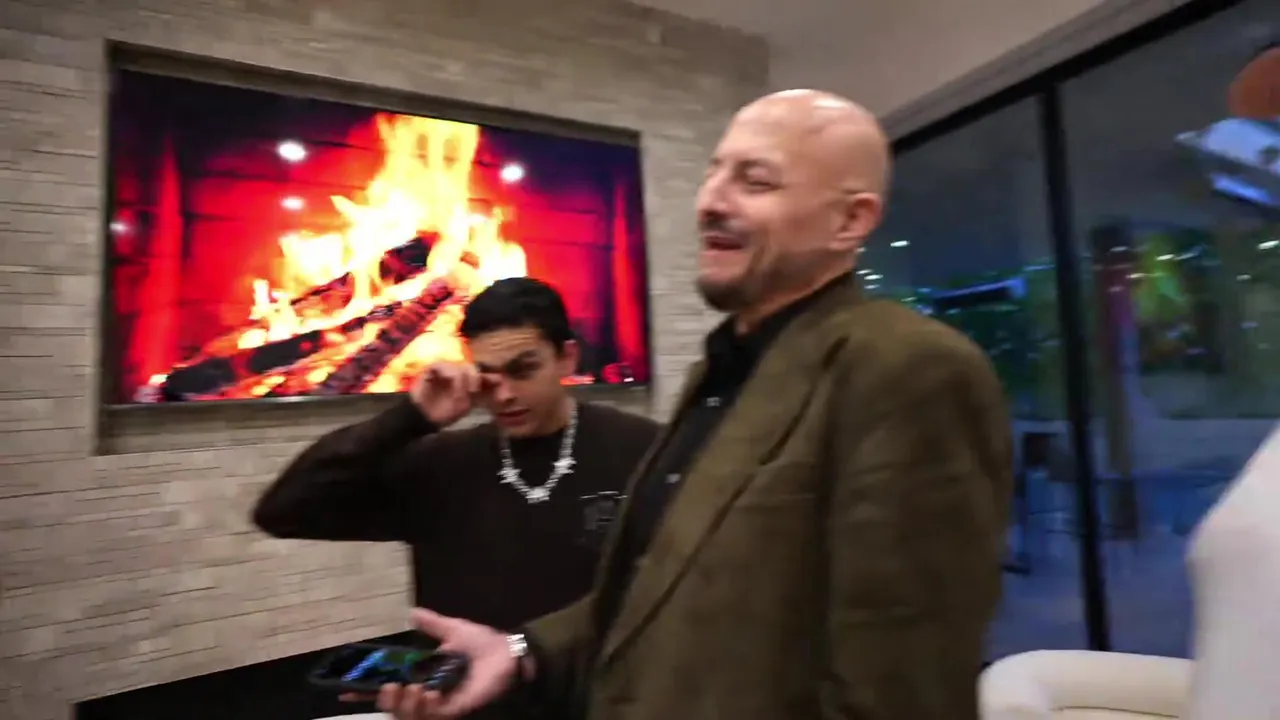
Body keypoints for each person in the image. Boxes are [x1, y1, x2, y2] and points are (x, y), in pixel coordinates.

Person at [364, 90, 1014, 720]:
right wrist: (519, 651)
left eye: (754, 182)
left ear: (850, 222)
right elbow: (658, 594)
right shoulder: (724, 369)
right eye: (714, 173)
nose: (709, 202)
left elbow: (901, 688)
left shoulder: (909, 368)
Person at [252, 277, 660, 717]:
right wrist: (411, 417)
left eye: (523, 370)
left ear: (567, 357)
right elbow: (284, 510)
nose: (504, 395)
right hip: (461, 706)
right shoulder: (442, 462)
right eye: (488, 376)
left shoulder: (642, 449)